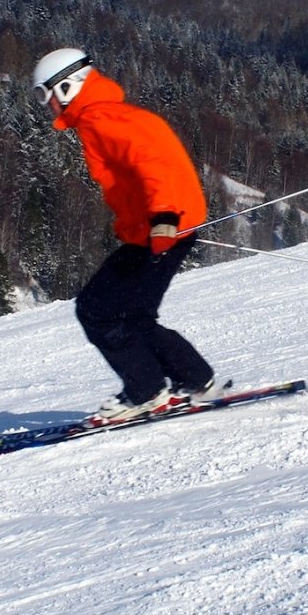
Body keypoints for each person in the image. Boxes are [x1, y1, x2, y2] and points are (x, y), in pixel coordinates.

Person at [32, 47, 222, 426]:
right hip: (156, 229)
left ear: (67, 86)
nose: (45, 104)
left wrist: (165, 215)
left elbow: (151, 160)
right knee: (132, 316)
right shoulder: (103, 116)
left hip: (162, 228)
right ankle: (196, 380)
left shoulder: (102, 118)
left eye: (43, 94)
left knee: (97, 310)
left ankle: (146, 391)